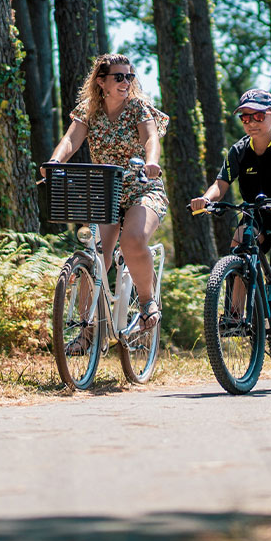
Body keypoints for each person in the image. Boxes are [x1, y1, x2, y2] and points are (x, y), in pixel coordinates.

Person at [42, 54, 168, 337]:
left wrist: (152, 163)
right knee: (97, 256)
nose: (126, 82)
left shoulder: (138, 108)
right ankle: (87, 333)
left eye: (129, 77)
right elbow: (71, 140)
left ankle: (147, 301)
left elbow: (151, 138)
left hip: (142, 187)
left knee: (133, 239)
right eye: (119, 77)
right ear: (102, 81)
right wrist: (54, 162)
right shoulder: (89, 110)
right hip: (106, 190)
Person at [190, 90, 271, 341]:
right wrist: (206, 199)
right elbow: (221, 183)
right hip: (255, 214)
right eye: (245, 118)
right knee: (239, 246)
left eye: (259, 116)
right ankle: (235, 314)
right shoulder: (238, 151)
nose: (251, 122)